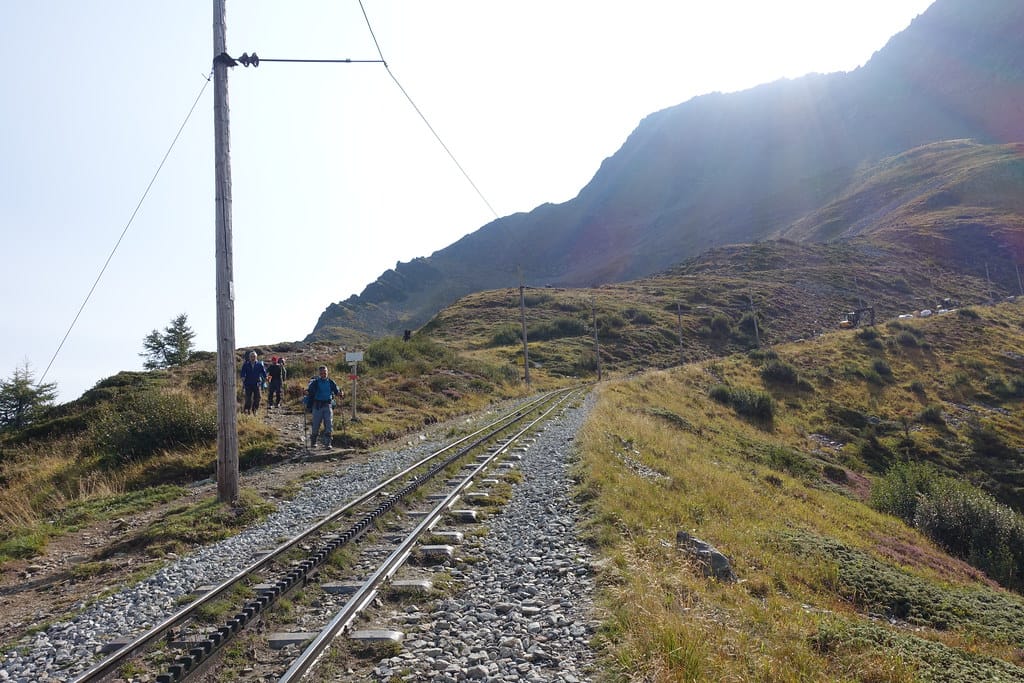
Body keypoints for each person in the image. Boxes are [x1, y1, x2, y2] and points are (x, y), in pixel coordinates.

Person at [306, 365, 342, 449]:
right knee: (316, 425)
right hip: (317, 405)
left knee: (329, 424)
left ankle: (328, 443)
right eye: (321, 373)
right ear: (319, 373)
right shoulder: (315, 382)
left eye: (325, 372)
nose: (323, 374)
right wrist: (306, 392)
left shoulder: (331, 382)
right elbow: (309, 391)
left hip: (328, 405)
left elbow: (336, 391)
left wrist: (340, 394)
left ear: (327, 372)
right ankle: (313, 442)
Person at [240, 350, 267, 415]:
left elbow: (263, 372)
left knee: (257, 398)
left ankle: (255, 410)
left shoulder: (259, 364)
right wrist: (243, 377)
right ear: (249, 357)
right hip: (248, 384)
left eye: (254, 356)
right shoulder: (246, 364)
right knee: (248, 399)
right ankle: (247, 410)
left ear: (256, 357)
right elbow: (242, 372)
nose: (253, 358)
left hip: (257, 384)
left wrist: (267, 378)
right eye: (251, 356)